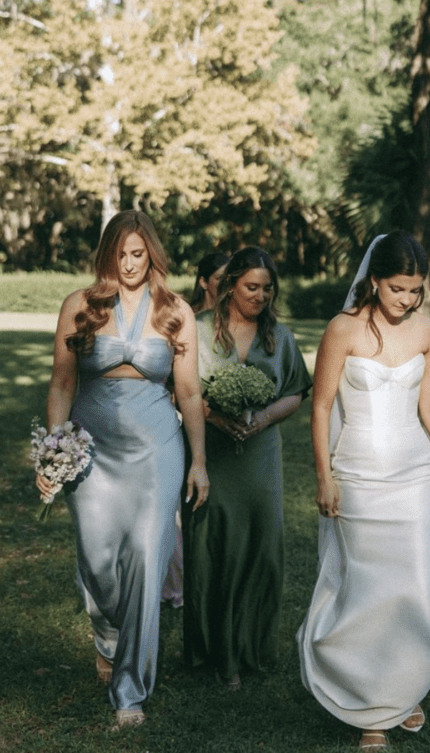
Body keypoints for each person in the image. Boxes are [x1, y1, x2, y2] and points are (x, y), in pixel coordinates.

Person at [39, 210, 209, 729]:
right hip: (91, 448)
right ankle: (109, 634)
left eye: (139, 254)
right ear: (107, 254)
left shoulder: (175, 310)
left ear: (151, 254)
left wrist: (198, 461)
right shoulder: (80, 305)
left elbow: (188, 392)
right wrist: (53, 448)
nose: (131, 264)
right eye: (121, 254)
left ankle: (130, 690)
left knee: (146, 555)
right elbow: (62, 384)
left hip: (157, 448)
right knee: (97, 557)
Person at [297, 231, 430, 752]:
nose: (408, 300)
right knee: (368, 588)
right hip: (358, 475)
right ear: (374, 280)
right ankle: (371, 707)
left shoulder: (424, 332)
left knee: (414, 582)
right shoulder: (342, 329)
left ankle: (404, 685)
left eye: (415, 290)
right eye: (398, 289)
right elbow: (322, 406)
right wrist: (325, 477)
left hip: (413, 474)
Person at [183, 246, 311, 691]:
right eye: (251, 287)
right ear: (231, 284)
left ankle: (252, 646)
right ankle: (217, 652)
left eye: (267, 288)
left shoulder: (281, 337)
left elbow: (296, 391)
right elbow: (180, 388)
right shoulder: (198, 330)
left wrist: (261, 419)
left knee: (261, 545)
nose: (259, 296)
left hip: (260, 456)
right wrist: (217, 417)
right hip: (211, 451)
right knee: (215, 546)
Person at [161, 251, 229, 609]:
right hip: (181, 421)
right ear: (204, 281)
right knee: (178, 510)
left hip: (227, 427)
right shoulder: (182, 317)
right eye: (221, 279)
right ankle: (174, 584)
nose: (228, 287)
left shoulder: (236, 322)